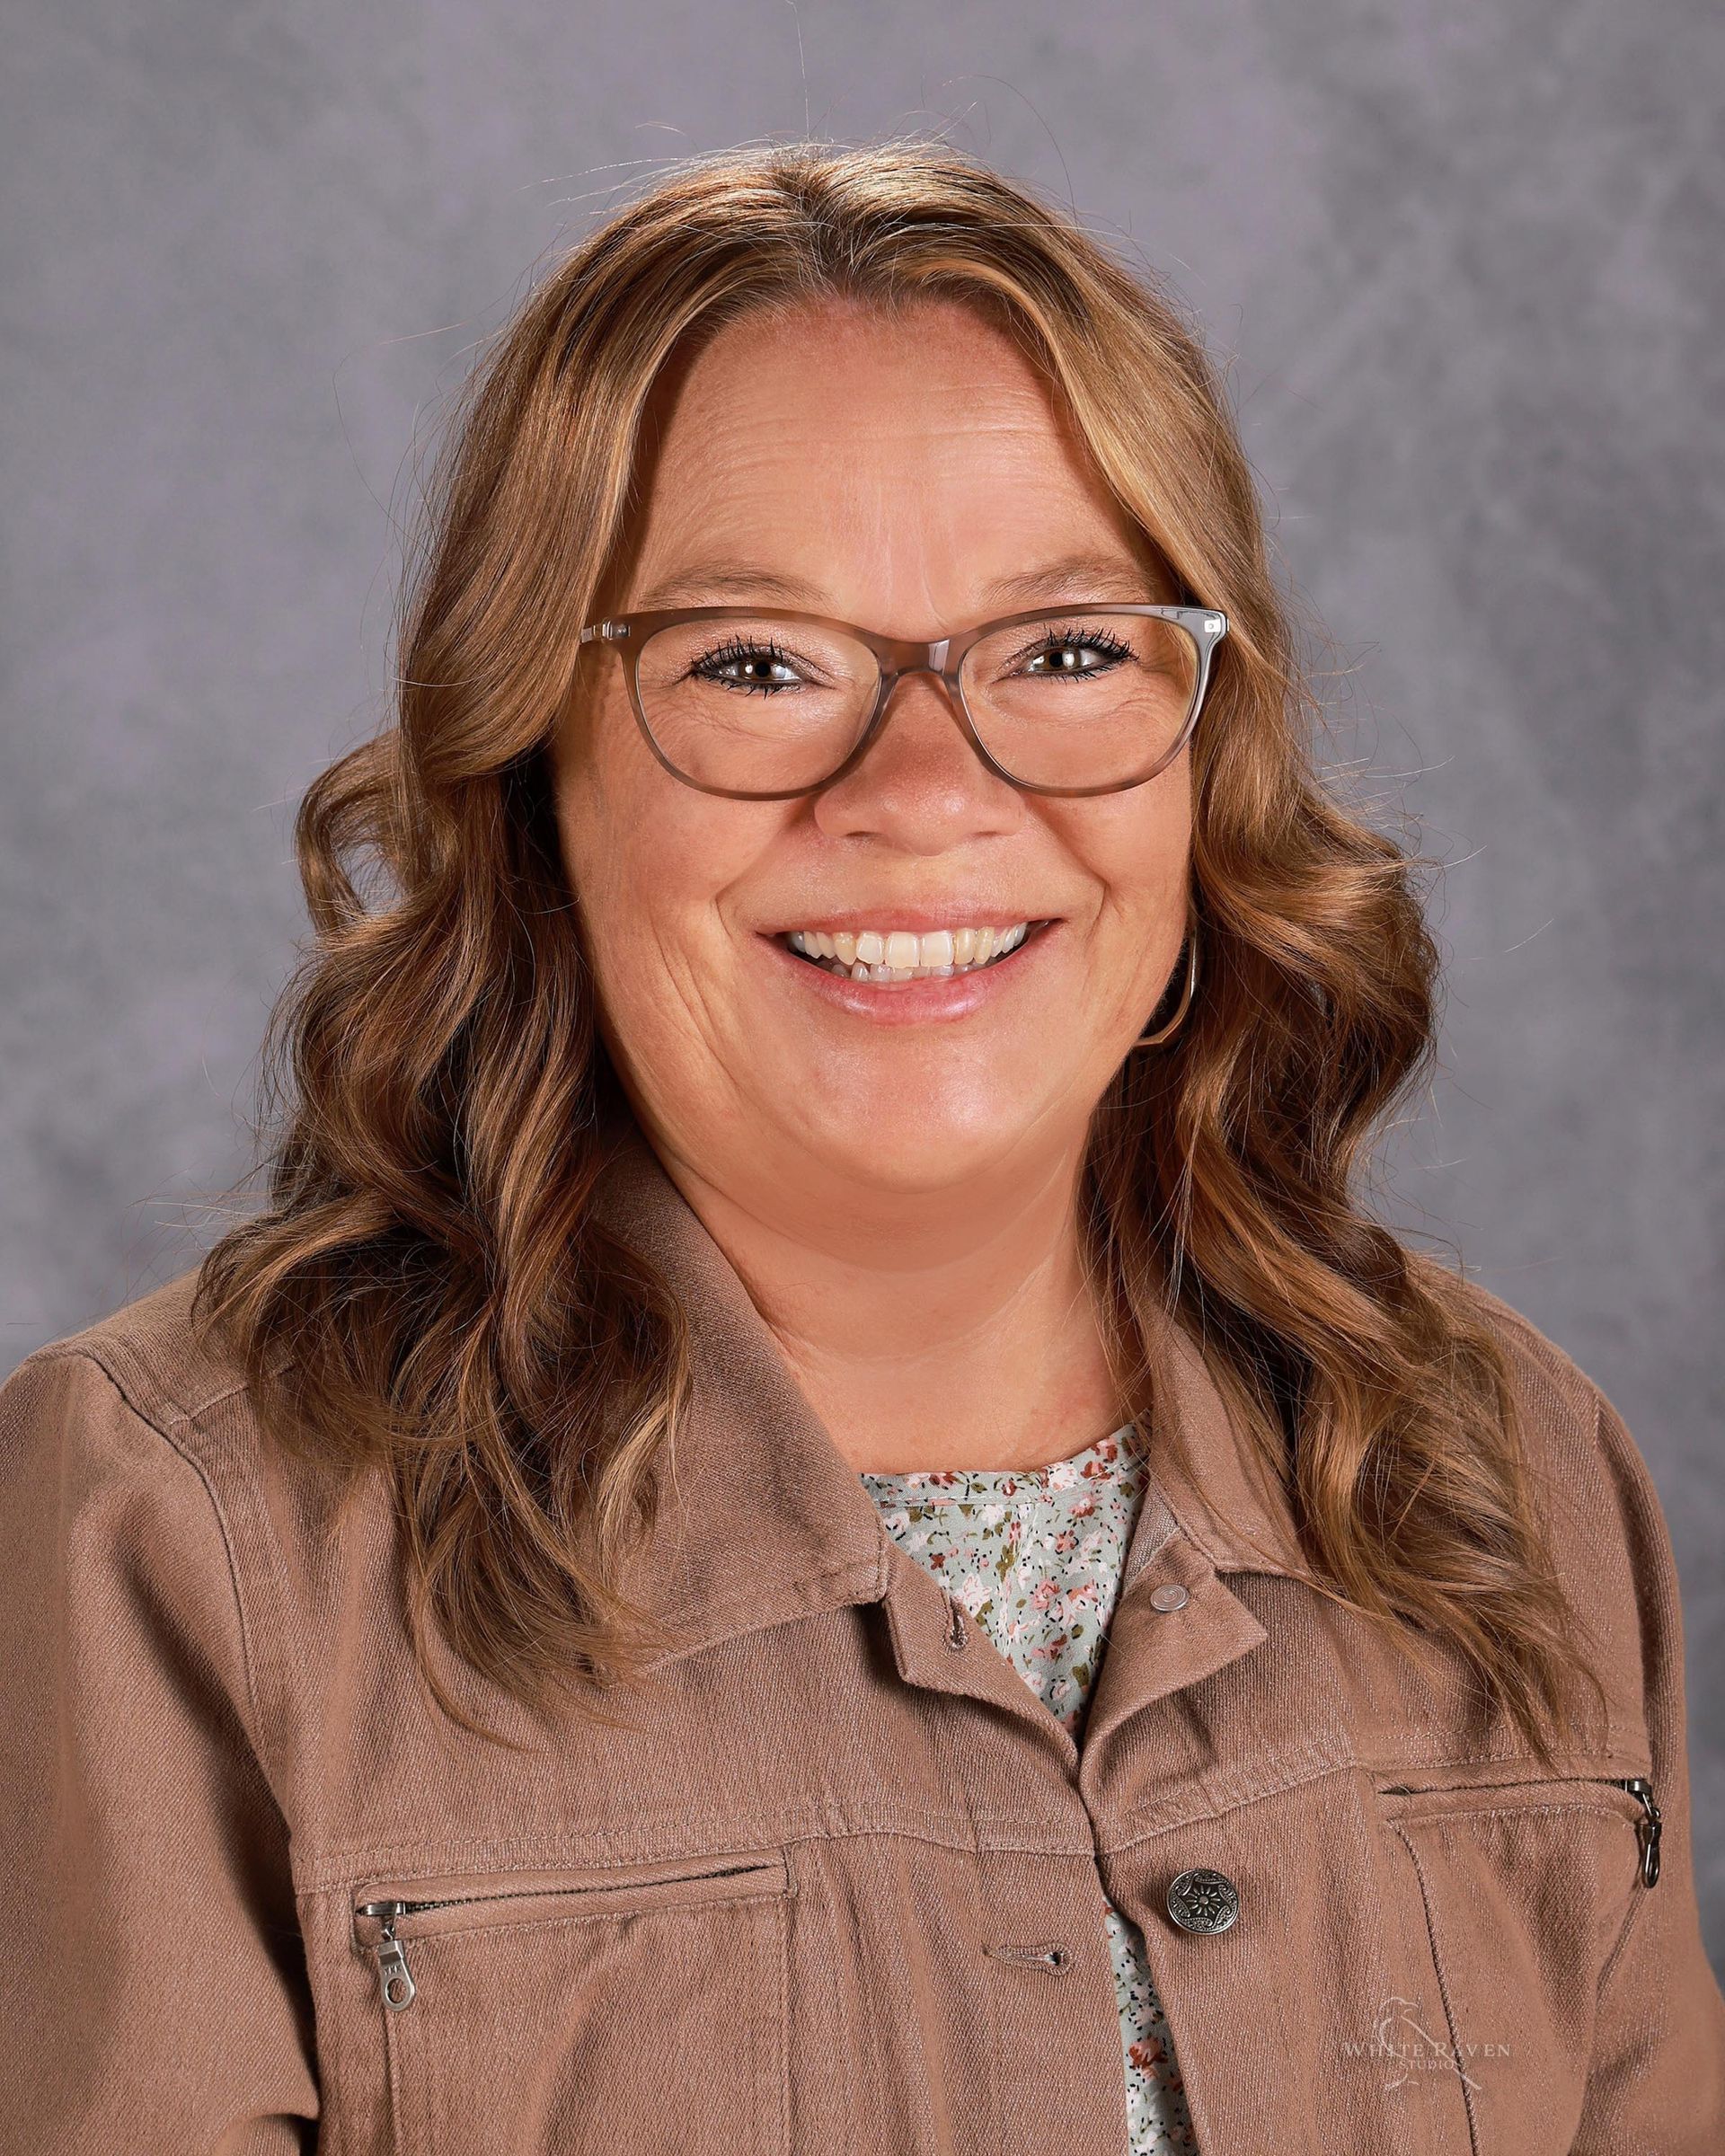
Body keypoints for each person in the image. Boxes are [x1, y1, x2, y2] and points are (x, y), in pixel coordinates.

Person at [2, 138, 1720, 2156]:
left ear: (1207, 751)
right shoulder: (172, 1536)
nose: (924, 790)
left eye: (1067, 651)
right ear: (528, 777)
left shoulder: (1500, 1470)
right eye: (753, 665)